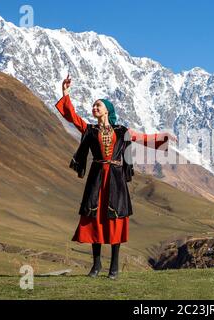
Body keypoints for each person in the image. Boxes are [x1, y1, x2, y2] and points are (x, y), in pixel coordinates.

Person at [55, 75, 176, 279]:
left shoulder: (121, 131)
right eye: (94, 106)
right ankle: (95, 266)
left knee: (115, 221)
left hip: (116, 180)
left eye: (98, 105)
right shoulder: (89, 130)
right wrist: (65, 93)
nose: (94, 108)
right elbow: (72, 117)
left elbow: (143, 139)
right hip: (96, 179)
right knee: (94, 220)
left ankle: (114, 267)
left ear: (107, 110)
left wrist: (163, 138)